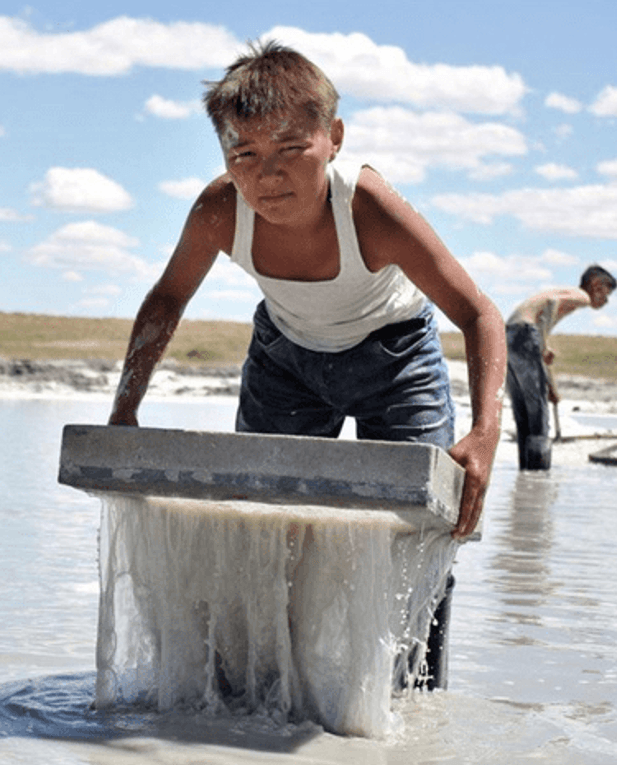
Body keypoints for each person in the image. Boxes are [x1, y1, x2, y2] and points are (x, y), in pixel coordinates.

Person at [107, 40, 507, 690]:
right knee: (262, 527)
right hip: (286, 357)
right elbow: (167, 297)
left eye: (291, 148)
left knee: (425, 531)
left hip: (395, 354)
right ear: (225, 158)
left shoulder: (368, 209)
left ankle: (415, 695)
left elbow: (480, 313)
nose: (268, 175)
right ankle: (264, 690)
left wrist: (486, 434)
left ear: (334, 138)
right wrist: (125, 407)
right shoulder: (220, 210)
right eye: (246, 154)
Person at [505, 265, 617, 470]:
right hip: (525, 332)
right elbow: (552, 304)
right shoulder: (581, 296)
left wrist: (551, 385)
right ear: (596, 284)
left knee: (523, 414)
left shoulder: (564, 291)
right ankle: (538, 477)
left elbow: (543, 312)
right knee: (538, 417)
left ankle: (526, 476)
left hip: (509, 334)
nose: (605, 301)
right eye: (606, 294)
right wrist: (543, 342)